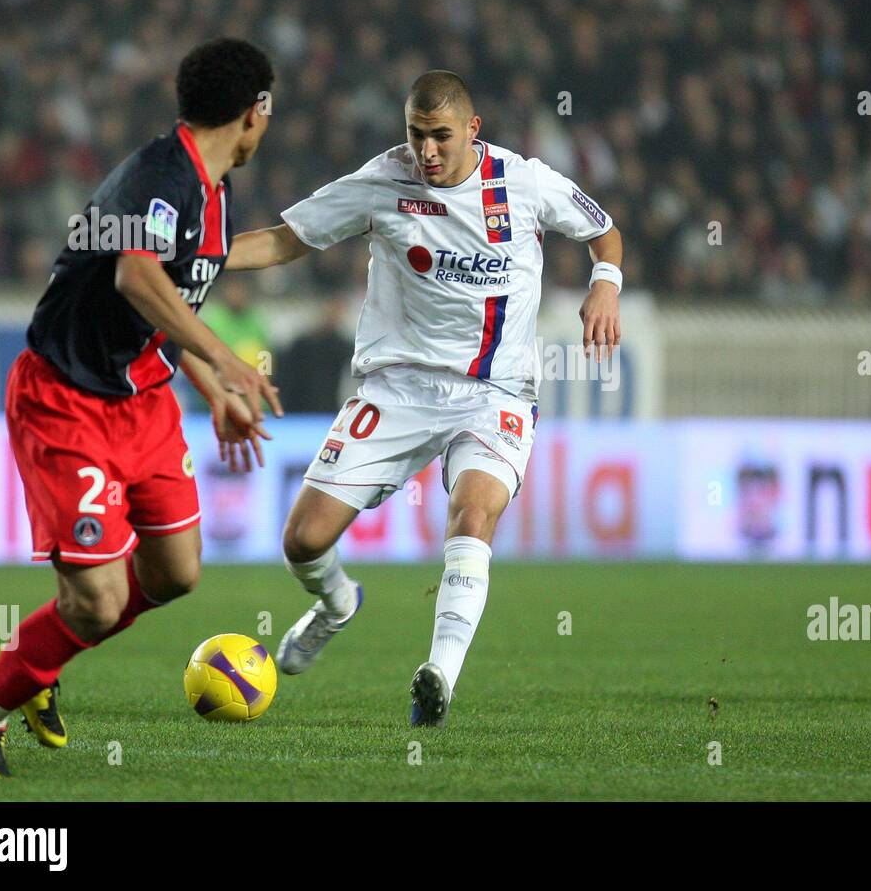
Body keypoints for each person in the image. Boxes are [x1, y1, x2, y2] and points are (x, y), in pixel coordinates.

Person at [227, 70, 623, 725]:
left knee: (473, 517)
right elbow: (284, 241)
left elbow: (602, 231)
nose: (428, 151)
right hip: (397, 388)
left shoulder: (524, 182)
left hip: (494, 392)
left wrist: (604, 282)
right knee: (302, 540)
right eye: (416, 136)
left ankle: (438, 673)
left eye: (441, 136)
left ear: (473, 130)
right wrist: (195, 258)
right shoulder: (383, 182)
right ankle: (336, 605)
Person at [0, 38, 282, 777]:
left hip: (146, 400)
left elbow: (169, 308)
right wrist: (228, 358)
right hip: (66, 400)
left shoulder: (214, 189)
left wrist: (210, 387)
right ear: (255, 112)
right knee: (96, 603)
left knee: (175, 572)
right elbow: (137, 279)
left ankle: (36, 653)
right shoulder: (160, 177)